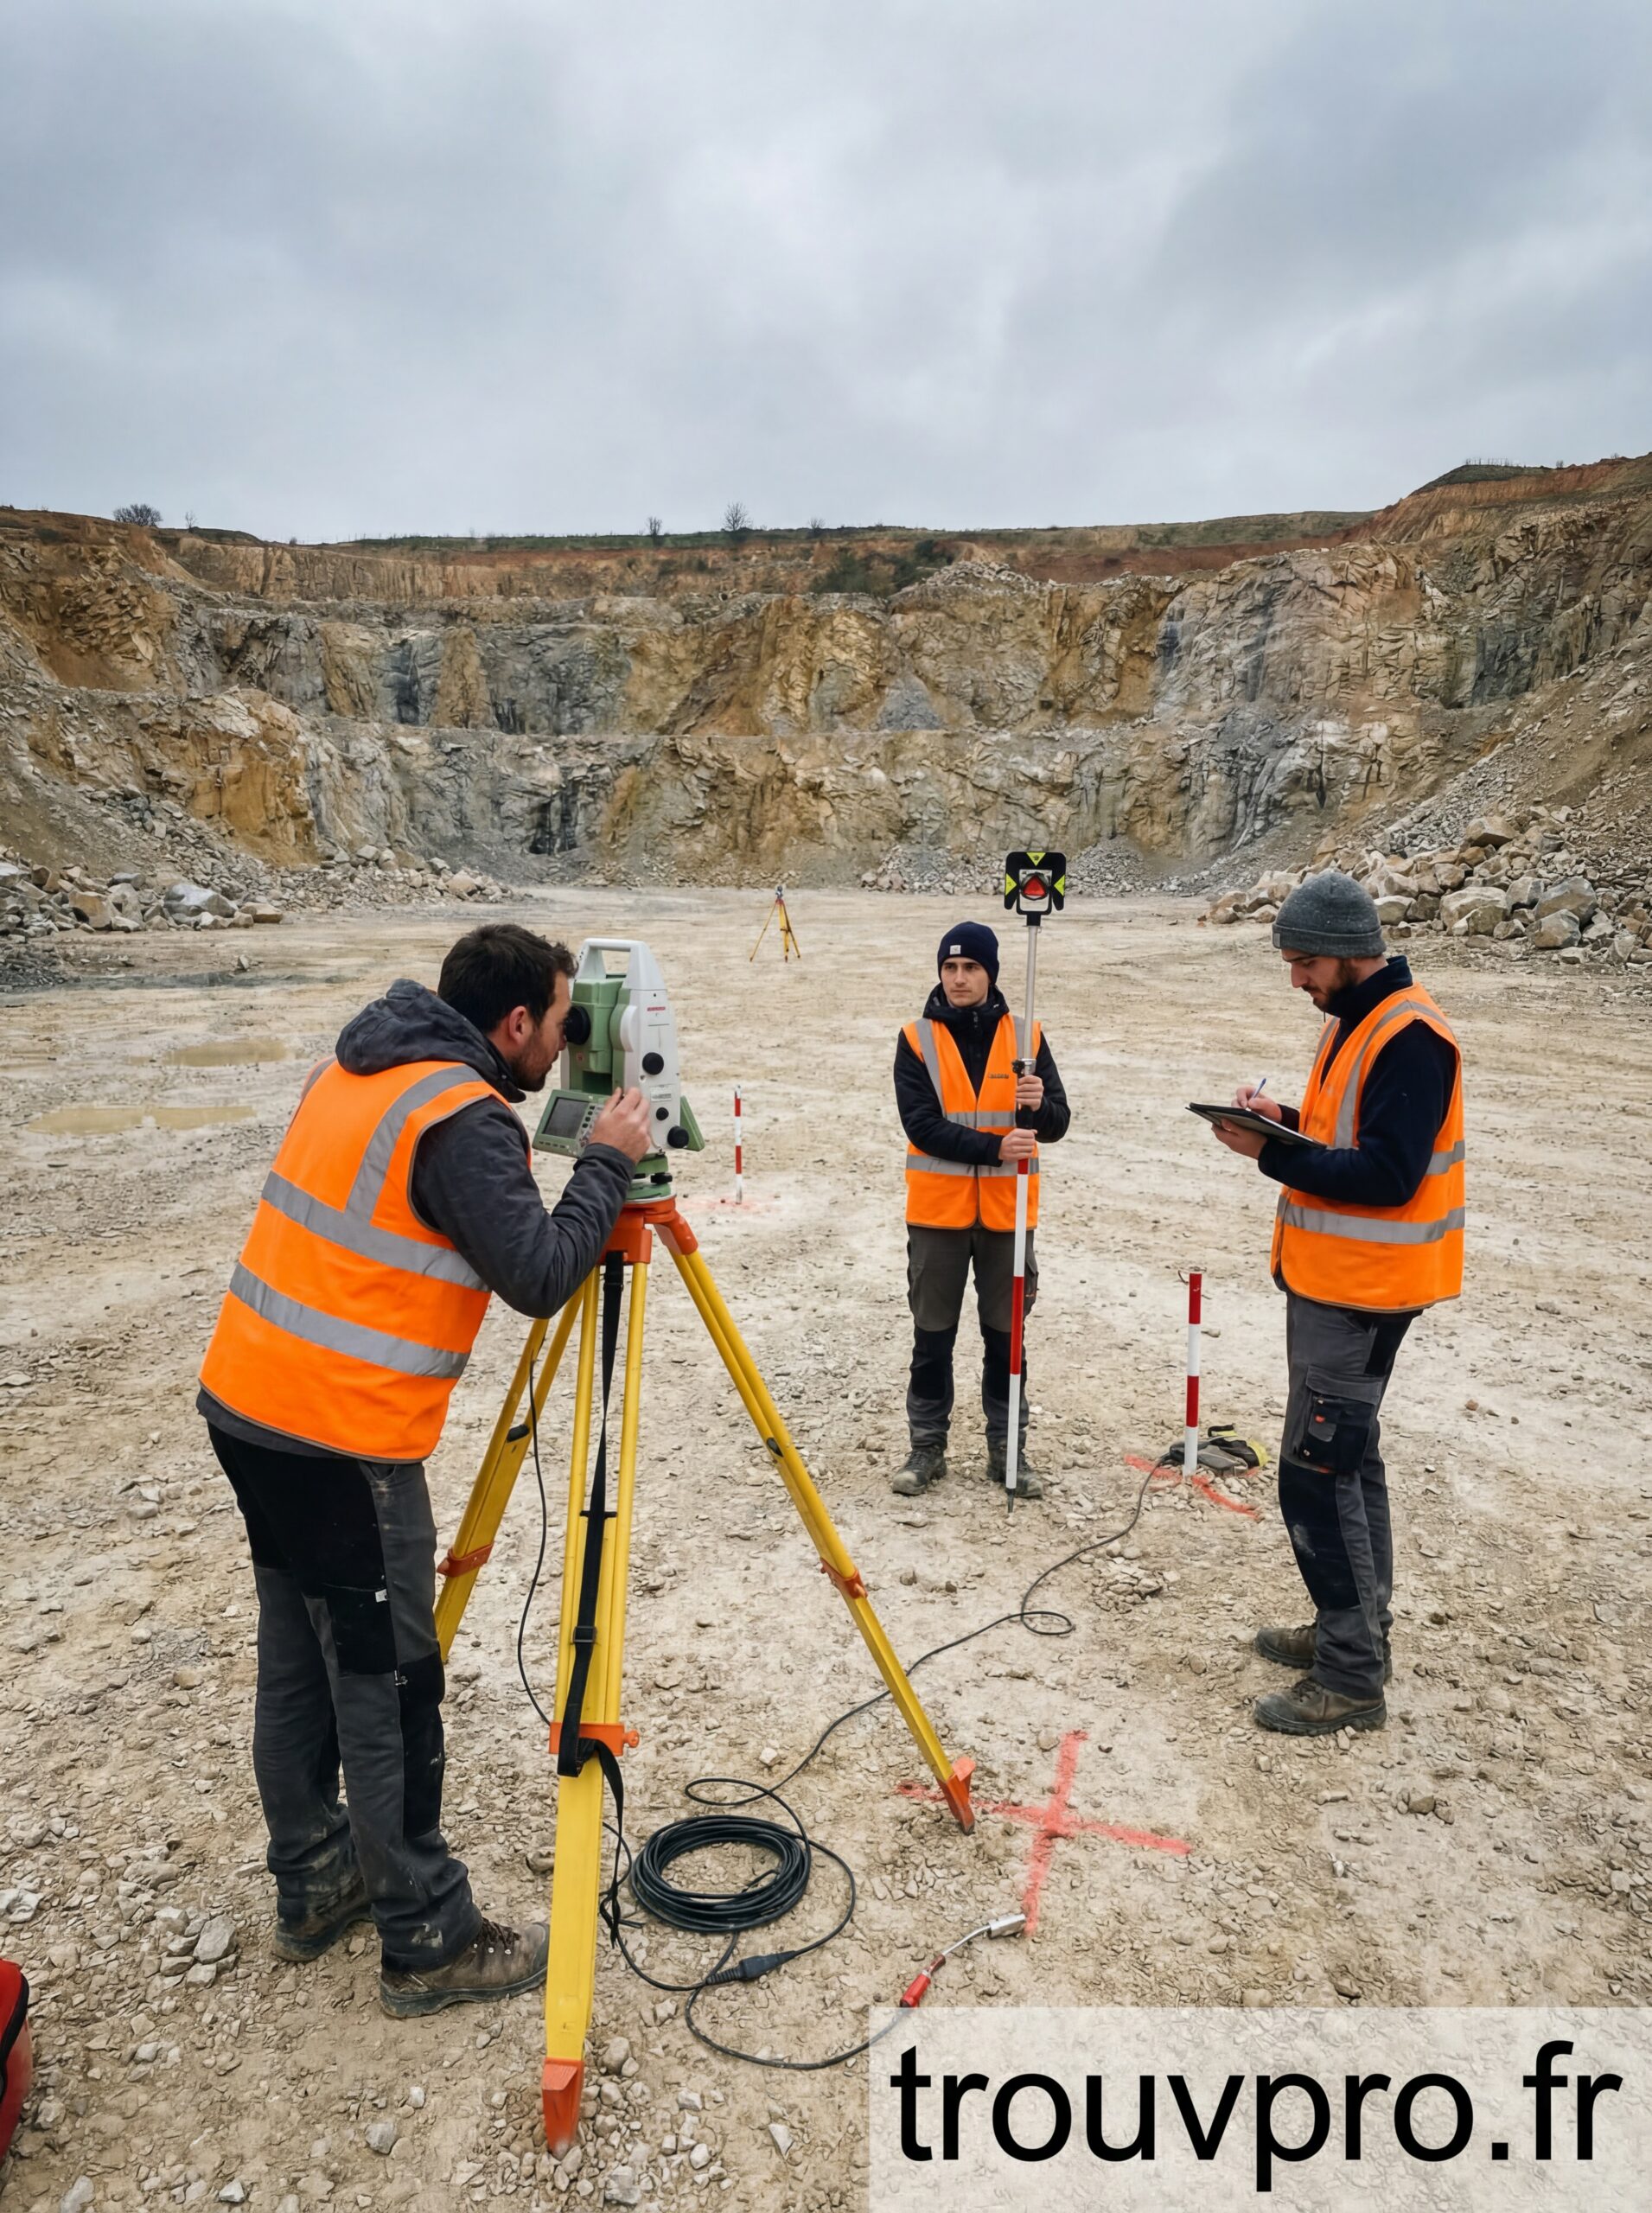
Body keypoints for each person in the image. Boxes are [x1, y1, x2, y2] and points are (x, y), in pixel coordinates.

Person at [197, 923, 653, 2012]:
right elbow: (540, 1271)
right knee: (387, 1683)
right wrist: (607, 1160)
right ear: (513, 1025)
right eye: (558, 1021)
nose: (563, 1039)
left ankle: (315, 1877)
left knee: (298, 1658)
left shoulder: (373, 1068)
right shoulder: (461, 1114)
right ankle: (428, 1935)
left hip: (249, 1408)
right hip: (341, 1439)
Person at [1208, 871, 1464, 1737]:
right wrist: (1279, 1118)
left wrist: (1265, 1155)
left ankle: (1351, 1676)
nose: (1297, 981)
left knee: (1317, 1477)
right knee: (1351, 1464)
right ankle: (1355, 1633)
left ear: (1353, 952)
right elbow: (1342, 1137)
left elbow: (1388, 1177)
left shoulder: (1410, 1038)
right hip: (1335, 1283)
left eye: (1306, 963)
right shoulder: (1353, 1023)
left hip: (1363, 1296)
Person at [892, 921, 1069, 1499]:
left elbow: (1058, 1123)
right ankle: (926, 1448)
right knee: (932, 1338)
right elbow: (920, 1126)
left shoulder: (1026, 1036)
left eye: (970, 968)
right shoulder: (915, 1038)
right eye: (950, 968)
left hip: (1007, 1216)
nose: (959, 978)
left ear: (990, 972)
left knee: (1005, 1339)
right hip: (938, 1216)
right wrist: (993, 1148)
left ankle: (1007, 1450)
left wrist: (1039, 1108)